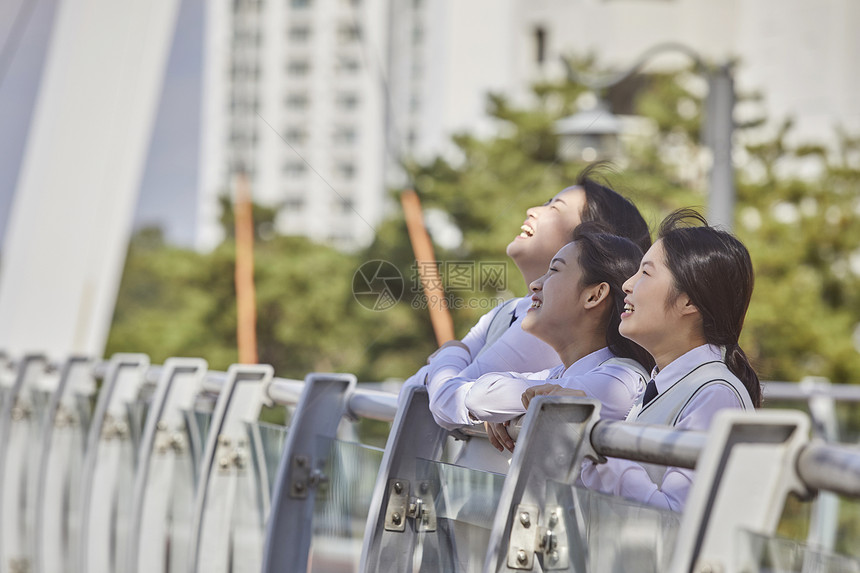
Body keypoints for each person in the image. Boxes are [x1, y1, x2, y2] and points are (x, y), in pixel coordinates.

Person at [526, 209, 760, 511]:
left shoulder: (714, 394)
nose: (627, 284)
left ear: (689, 300)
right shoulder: (667, 386)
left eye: (646, 273)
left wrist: (592, 436)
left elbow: (675, 518)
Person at [400, 165, 651, 443]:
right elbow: (425, 393)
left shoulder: (618, 378)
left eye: (555, 208)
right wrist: (505, 403)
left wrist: (450, 355)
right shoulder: (521, 324)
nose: (533, 209)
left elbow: (453, 397)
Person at [464, 228, 655, 453]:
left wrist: (505, 408)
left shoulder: (619, 382)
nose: (535, 284)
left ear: (594, 295)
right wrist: (512, 407)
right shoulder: (559, 375)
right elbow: (479, 395)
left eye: (554, 270)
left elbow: (484, 397)